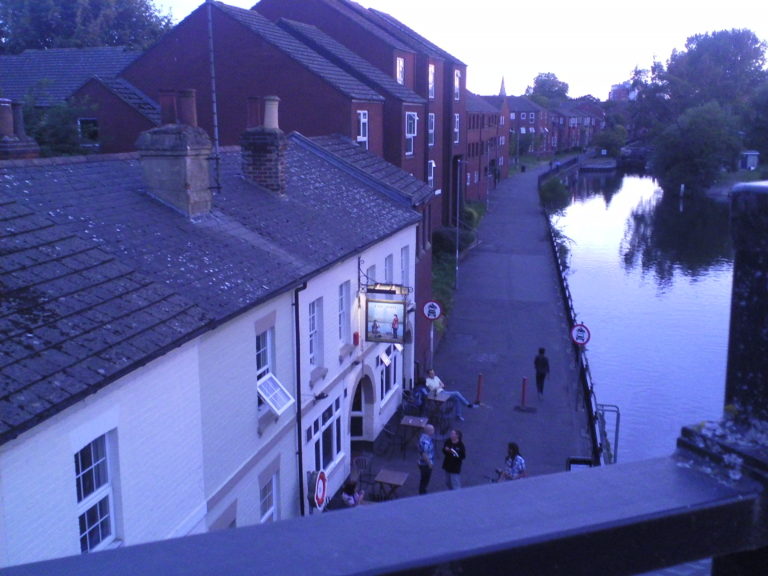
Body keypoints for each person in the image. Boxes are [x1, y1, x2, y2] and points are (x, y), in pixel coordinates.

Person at [417, 424, 435, 494]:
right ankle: (422, 494)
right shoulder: (426, 442)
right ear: (429, 431)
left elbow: (419, 448)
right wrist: (429, 463)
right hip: (425, 464)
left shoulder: (423, 437)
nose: (434, 431)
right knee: (425, 480)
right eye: (433, 430)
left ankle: (422, 492)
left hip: (422, 462)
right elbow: (424, 454)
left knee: (423, 479)